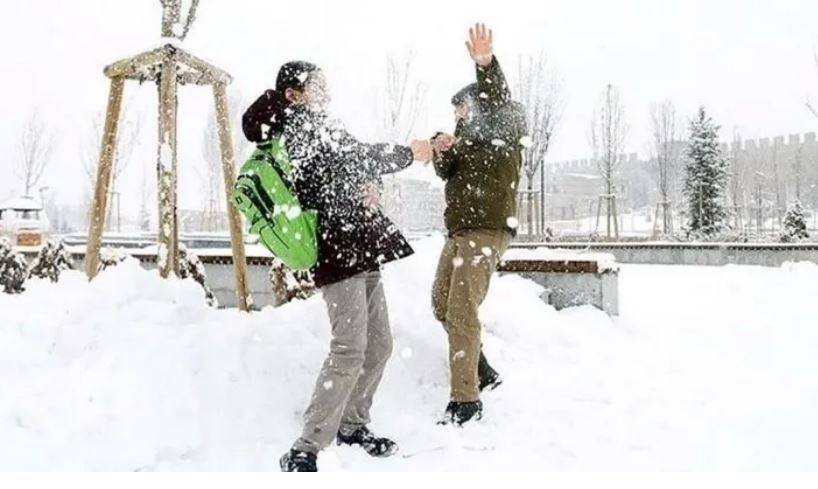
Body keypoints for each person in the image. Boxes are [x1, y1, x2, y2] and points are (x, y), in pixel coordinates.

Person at [242, 61, 434, 471]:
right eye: (316, 84)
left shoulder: (320, 122)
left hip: (360, 243)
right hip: (336, 247)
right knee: (349, 349)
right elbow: (354, 157)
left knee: (380, 345)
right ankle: (305, 447)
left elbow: (348, 167)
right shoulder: (297, 124)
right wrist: (409, 154)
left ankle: (352, 424)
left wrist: (370, 187)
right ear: (294, 92)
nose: (325, 89)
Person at [429, 24, 528, 425]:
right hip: (460, 232)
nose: (459, 117)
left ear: (479, 104)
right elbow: (446, 171)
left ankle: (466, 401)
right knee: (441, 303)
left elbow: (498, 97)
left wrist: (485, 63)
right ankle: (481, 368)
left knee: (462, 309)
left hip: (487, 230)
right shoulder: (465, 139)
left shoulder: (505, 123)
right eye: (456, 113)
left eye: (463, 110)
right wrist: (441, 148)